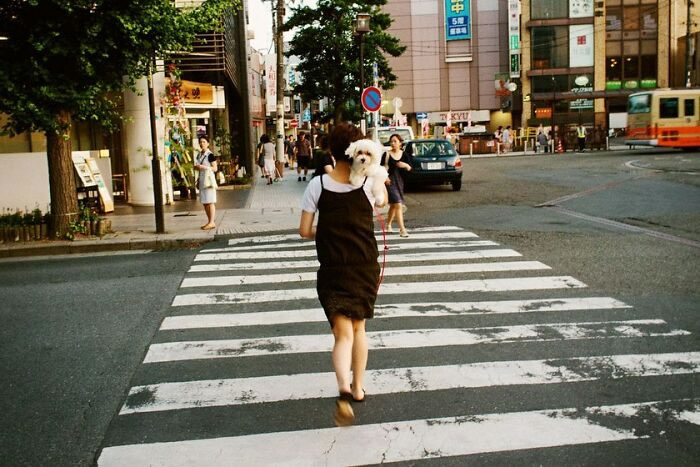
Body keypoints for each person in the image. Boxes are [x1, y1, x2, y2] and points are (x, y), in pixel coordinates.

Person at [298, 123, 388, 427]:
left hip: (333, 268)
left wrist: (327, 233)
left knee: (342, 333)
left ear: (330, 150)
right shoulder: (367, 183)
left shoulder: (317, 186)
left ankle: (342, 388)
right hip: (364, 265)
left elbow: (304, 231)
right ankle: (359, 387)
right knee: (359, 329)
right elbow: (384, 203)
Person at [381, 133, 412, 237]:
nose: (393, 143)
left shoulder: (404, 154)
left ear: (400, 143)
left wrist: (406, 165)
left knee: (394, 205)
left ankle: (388, 224)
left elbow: (411, 168)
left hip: (400, 181)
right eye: (391, 141)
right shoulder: (386, 154)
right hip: (389, 181)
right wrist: (385, 177)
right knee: (398, 204)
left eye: (395, 141)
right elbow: (380, 168)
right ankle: (402, 229)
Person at [194, 136, 217, 230]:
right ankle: (209, 221)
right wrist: (197, 168)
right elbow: (197, 167)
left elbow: (215, 168)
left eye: (204, 142)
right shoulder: (199, 154)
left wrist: (204, 167)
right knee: (205, 202)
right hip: (202, 179)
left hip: (209, 180)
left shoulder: (210, 155)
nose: (202, 143)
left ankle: (212, 222)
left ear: (208, 143)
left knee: (210, 201)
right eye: (200, 142)